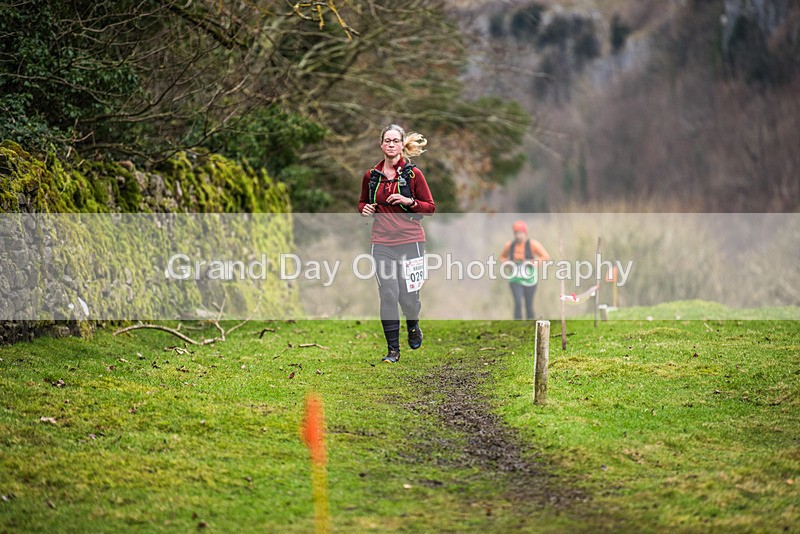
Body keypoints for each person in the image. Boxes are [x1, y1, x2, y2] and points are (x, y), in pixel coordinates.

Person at [358, 124, 436, 363]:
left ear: (402, 145)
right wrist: (365, 209)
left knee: (408, 297)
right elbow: (362, 202)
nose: (391, 144)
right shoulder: (371, 177)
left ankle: (413, 324)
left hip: (410, 241)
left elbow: (430, 208)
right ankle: (393, 350)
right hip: (381, 242)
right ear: (381, 145)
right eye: (387, 140)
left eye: (395, 141)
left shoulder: (413, 175)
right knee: (388, 294)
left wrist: (408, 201)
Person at [500, 220, 551, 320]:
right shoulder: (509, 246)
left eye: (521, 233)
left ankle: (530, 325)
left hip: (530, 279)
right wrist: (506, 263)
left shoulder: (532, 244)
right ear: (514, 234)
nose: (519, 236)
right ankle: (517, 325)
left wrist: (533, 262)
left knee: (529, 304)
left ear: (525, 233)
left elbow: (545, 257)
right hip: (515, 278)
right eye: (516, 233)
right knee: (518, 302)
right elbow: (502, 257)